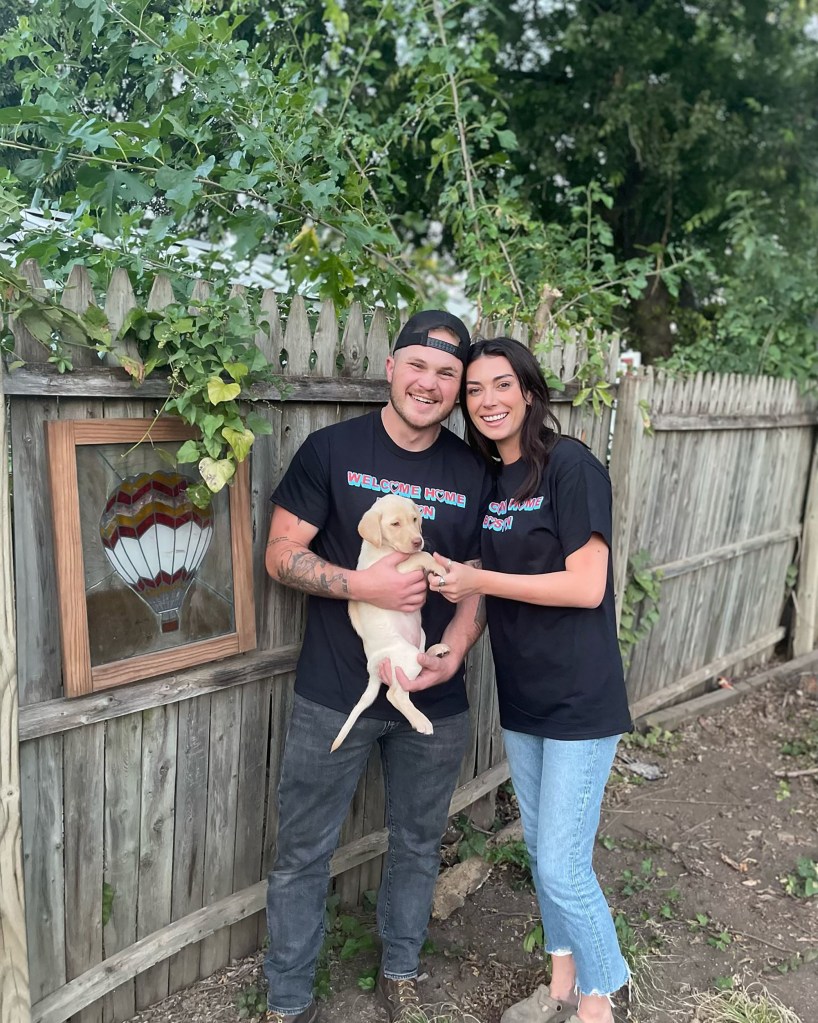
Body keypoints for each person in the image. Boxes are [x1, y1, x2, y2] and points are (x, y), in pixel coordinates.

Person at [262, 310, 490, 1023]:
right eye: (418, 365)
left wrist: (452, 652)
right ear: (391, 368)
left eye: (446, 374)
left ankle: (401, 969)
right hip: (336, 690)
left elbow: (478, 580)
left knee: (420, 844)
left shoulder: (474, 472)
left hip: (434, 696)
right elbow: (279, 553)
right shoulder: (331, 450)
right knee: (303, 852)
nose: (429, 383)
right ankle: (288, 998)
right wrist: (365, 584)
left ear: (456, 390)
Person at [414, 336, 632, 1023]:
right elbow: (479, 588)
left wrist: (479, 577)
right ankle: (561, 987)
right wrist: (451, 625)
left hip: (580, 698)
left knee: (565, 866)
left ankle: (600, 1005)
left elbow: (586, 585)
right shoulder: (495, 484)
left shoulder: (570, 467)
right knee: (543, 854)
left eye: (500, 385)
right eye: (474, 390)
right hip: (524, 697)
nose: (487, 400)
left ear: (530, 392)